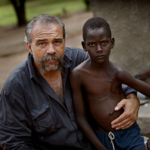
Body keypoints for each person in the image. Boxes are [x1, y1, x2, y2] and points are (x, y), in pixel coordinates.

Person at [0, 14, 139, 150]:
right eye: (42, 43)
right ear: (29, 47)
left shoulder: (81, 60)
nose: (51, 50)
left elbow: (116, 79)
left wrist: (132, 99)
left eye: (57, 41)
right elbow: (15, 142)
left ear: (64, 42)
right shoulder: (15, 88)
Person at [70, 17, 150, 150]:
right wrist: (100, 147)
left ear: (112, 43)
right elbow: (80, 117)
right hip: (102, 138)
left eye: (104, 42)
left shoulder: (118, 73)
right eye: (92, 44)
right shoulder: (78, 75)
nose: (99, 49)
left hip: (129, 135)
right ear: (84, 46)